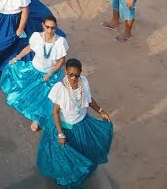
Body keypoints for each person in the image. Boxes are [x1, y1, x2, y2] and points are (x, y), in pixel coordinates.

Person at [35, 58, 113, 189]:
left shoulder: (84, 82)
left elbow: (88, 100)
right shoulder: (59, 88)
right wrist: (60, 134)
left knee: (81, 152)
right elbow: (55, 112)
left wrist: (101, 111)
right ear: (65, 71)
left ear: (80, 73)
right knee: (65, 158)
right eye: (70, 74)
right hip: (65, 128)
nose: (73, 78)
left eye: (76, 75)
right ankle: (67, 176)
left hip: (81, 125)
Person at [2, 15, 68, 132]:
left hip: (49, 75)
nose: (50, 30)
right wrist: (17, 58)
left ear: (56, 27)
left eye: (53, 28)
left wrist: (50, 73)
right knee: (30, 94)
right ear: (43, 25)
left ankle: (36, 119)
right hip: (34, 70)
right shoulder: (36, 37)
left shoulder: (60, 42)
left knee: (44, 99)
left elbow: (61, 60)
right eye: (47, 27)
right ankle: (33, 113)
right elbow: (29, 48)